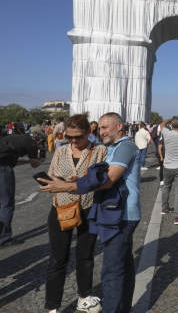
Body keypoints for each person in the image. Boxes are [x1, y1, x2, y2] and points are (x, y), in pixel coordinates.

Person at [40, 112, 142, 313]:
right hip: (73, 208)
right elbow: (96, 177)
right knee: (119, 267)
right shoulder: (112, 148)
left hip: (107, 211)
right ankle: (53, 306)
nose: (101, 131)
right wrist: (66, 183)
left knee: (110, 270)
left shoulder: (115, 148)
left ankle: (92, 300)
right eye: (69, 137)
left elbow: (107, 179)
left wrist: (68, 186)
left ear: (119, 126)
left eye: (105, 127)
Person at [44, 114, 107, 313]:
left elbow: (103, 181)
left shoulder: (100, 151)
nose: (72, 141)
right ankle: (52, 307)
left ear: (89, 132)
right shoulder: (61, 152)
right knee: (57, 259)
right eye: (68, 136)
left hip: (88, 208)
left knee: (85, 256)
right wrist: (60, 181)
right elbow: (52, 176)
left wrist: (77, 181)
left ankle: (84, 297)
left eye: (77, 137)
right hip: (61, 208)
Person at [0, 133, 43, 247]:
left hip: (3, 164)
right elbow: (35, 165)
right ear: (38, 141)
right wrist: (40, 161)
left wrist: (27, 161)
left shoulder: (13, 138)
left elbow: (12, 161)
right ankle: (4, 239)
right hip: (2, 170)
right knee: (6, 204)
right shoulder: (32, 144)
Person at [160, 116, 178, 224]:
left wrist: (170, 118)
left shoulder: (167, 134)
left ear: (171, 125)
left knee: (166, 187)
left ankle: (164, 208)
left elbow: (162, 125)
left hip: (168, 165)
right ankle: (176, 216)